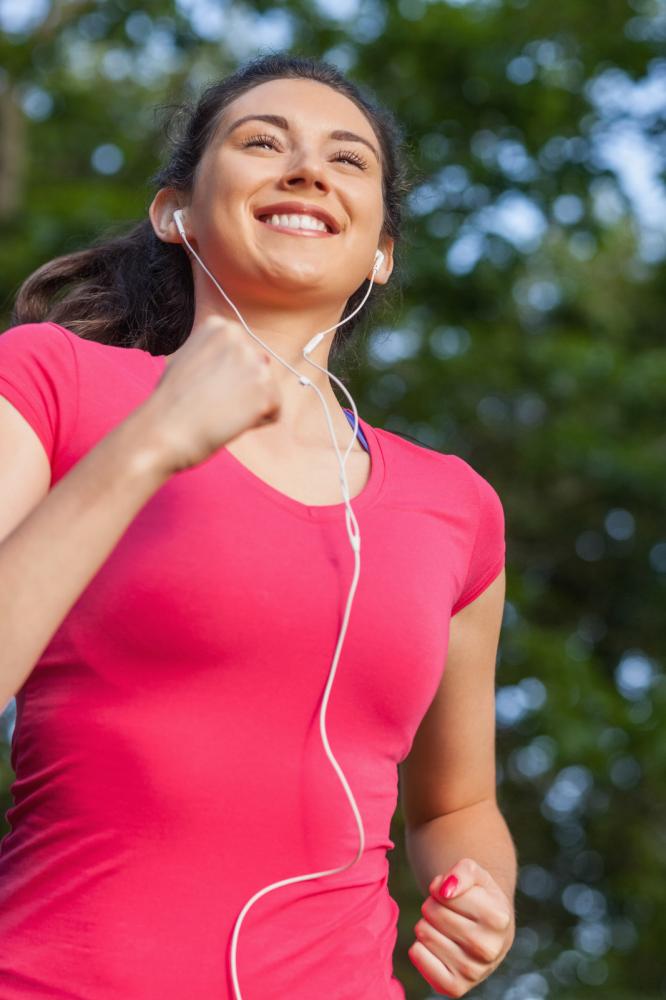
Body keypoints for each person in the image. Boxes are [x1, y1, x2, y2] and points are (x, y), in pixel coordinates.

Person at [0, 54, 516, 999]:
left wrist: (485, 891)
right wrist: (148, 443)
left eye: (347, 160)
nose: (308, 170)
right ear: (176, 214)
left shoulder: (458, 508)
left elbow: (459, 804)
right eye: (262, 142)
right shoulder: (49, 383)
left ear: (381, 253)